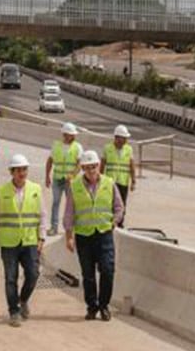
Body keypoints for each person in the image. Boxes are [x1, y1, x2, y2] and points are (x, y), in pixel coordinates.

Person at [0, 154, 46, 327]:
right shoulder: (2, 191)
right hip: (9, 243)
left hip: (29, 241)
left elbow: (42, 215)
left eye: (24, 169)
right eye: (18, 170)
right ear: (11, 172)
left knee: (33, 274)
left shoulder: (35, 189)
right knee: (10, 278)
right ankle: (14, 311)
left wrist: (42, 237)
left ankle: (23, 300)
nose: (22, 173)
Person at [65, 150, 125, 320]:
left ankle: (104, 305)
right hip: (84, 236)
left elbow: (119, 206)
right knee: (88, 274)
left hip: (104, 234)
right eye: (87, 167)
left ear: (99, 166)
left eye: (94, 166)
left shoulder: (109, 183)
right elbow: (69, 212)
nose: (91, 170)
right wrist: (68, 236)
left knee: (108, 270)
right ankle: (92, 306)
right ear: (83, 168)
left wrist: (114, 221)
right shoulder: (75, 186)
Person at [45, 122, 85, 235]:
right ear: (64, 134)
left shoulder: (77, 147)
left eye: (73, 134)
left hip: (70, 181)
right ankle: (54, 227)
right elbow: (50, 161)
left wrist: (72, 175)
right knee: (56, 202)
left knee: (71, 204)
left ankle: (71, 227)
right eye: (69, 134)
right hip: (58, 178)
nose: (71, 136)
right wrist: (47, 176)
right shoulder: (56, 145)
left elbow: (79, 164)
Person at [101, 124, 138, 209]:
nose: (126, 140)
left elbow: (132, 165)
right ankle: (111, 221)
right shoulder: (107, 148)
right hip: (110, 181)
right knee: (109, 203)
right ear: (117, 137)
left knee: (122, 203)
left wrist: (133, 181)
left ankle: (120, 221)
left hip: (123, 182)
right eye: (124, 138)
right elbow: (102, 166)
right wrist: (99, 180)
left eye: (126, 138)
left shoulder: (129, 149)